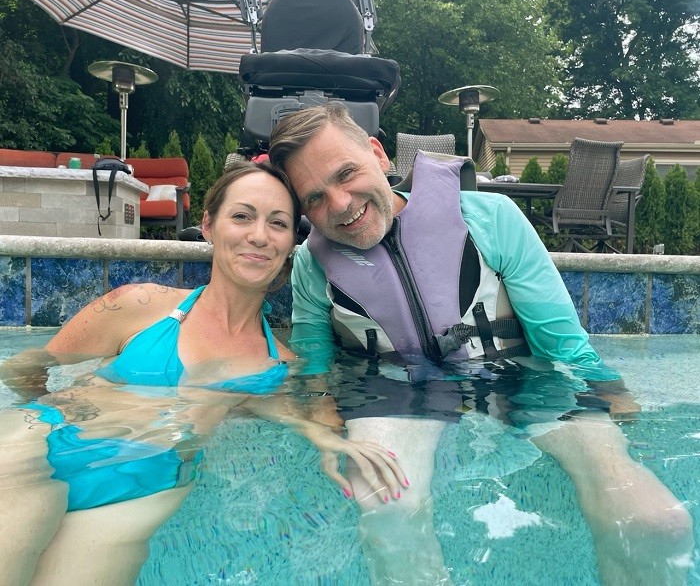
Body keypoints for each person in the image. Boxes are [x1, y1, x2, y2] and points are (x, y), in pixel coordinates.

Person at [267, 103, 694, 585]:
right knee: (388, 509)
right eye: (316, 198)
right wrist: (323, 428)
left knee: (658, 522)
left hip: (520, 383)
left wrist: (615, 405)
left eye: (347, 173)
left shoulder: (492, 219)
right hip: (395, 393)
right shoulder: (312, 264)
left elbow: (565, 346)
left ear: (378, 154)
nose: (341, 204)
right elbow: (315, 370)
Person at [0, 160, 405, 586]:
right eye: (242, 216)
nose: (259, 235)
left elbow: (312, 408)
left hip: (141, 489)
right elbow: (27, 368)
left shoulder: (279, 364)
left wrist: (327, 437)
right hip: (40, 448)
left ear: (291, 244)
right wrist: (51, 410)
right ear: (209, 225)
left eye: (278, 223)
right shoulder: (139, 305)